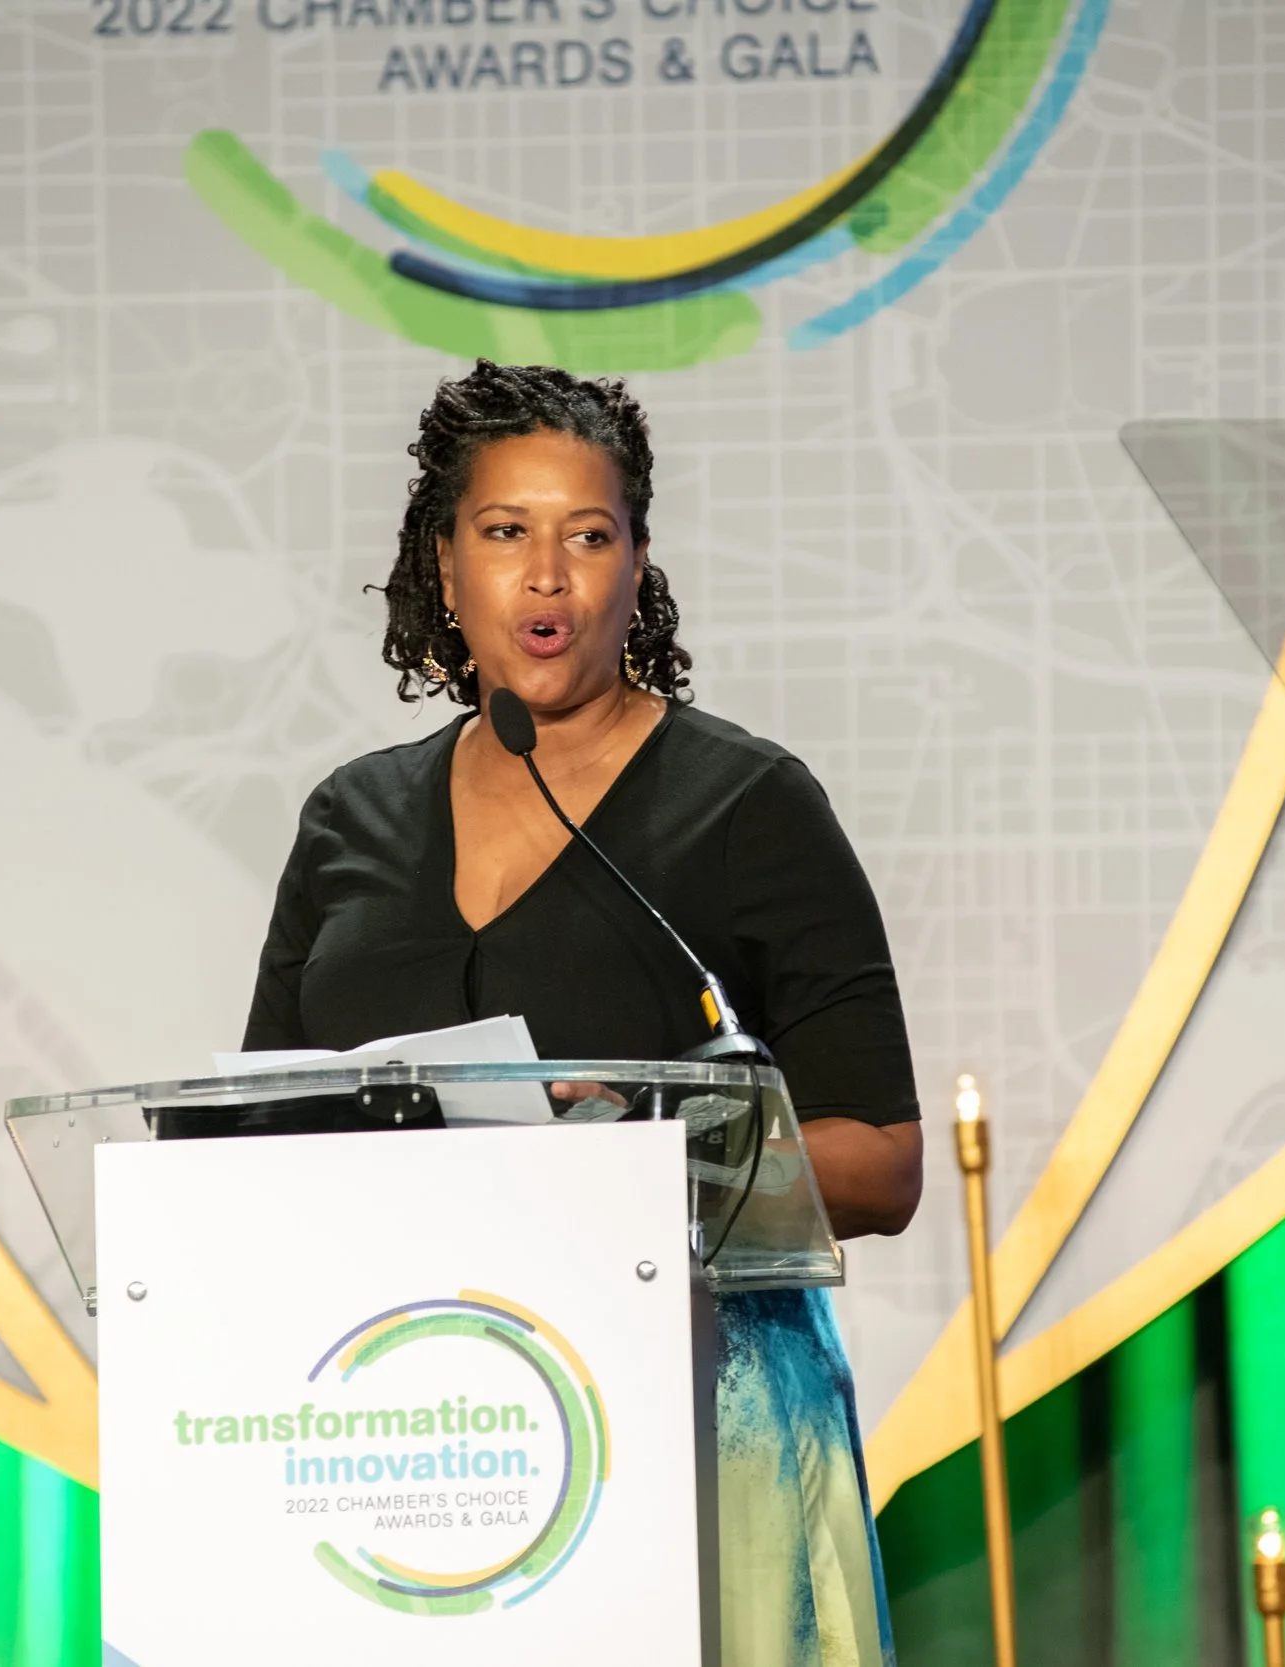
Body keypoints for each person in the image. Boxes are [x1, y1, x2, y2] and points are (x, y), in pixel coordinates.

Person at [244, 360, 920, 1666]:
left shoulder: (748, 805)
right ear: (446, 566)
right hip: (402, 1446)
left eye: (588, 534)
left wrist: (649, 1157)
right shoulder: (351, 819)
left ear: (637, 564)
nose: (547, 576)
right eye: (506, 533)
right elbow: (256, 1134)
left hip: (686, 1431)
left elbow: (882, 1159)